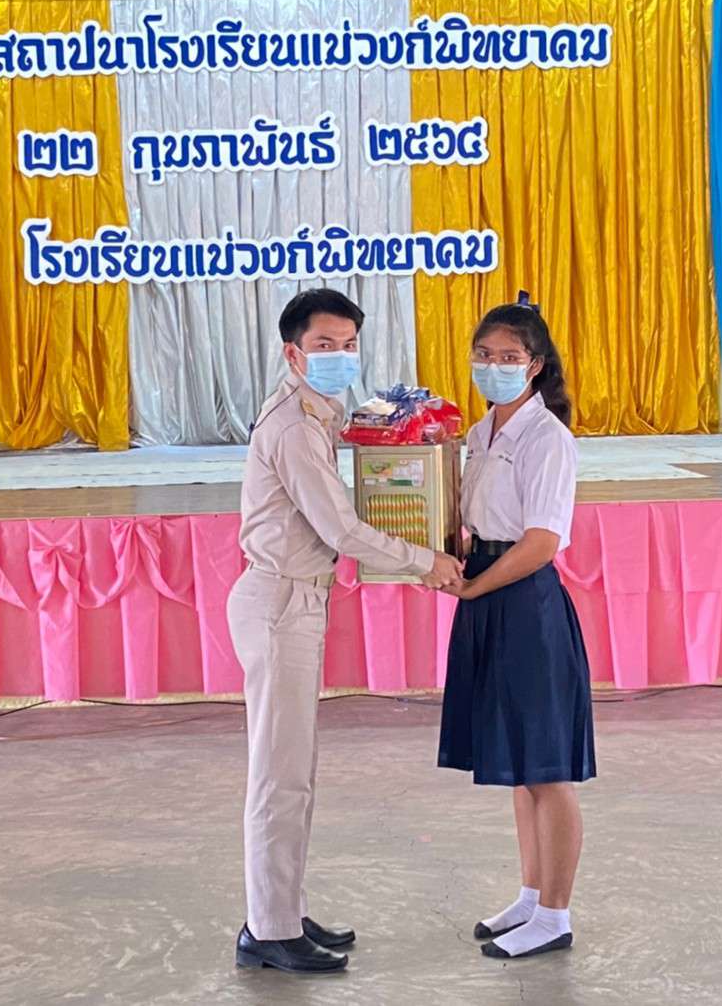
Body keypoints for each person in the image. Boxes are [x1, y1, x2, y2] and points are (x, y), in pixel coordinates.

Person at [230, 287, 464, 975]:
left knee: (294, 772)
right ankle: (269, 930)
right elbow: (340, 528)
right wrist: (426, 561)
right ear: (293, 352)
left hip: (295, 600)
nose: (339, 356)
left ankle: (281, 911)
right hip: (280, 604)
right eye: (324, 345)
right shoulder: (294, 427)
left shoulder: (317, 413)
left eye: (349, 344)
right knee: (280, 777)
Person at [438, 296, 595, 961]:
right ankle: (531, 896)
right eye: (484, 355)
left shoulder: (548, 438)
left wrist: (474, 585)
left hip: (524, 600)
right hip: (486, 591)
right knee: (519, 765)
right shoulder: (479, 434)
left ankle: (555, 915)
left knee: (547, 768)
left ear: (535, 366)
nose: (494, 366)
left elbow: (541, 542)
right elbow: (469, 520)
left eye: (509, 357)